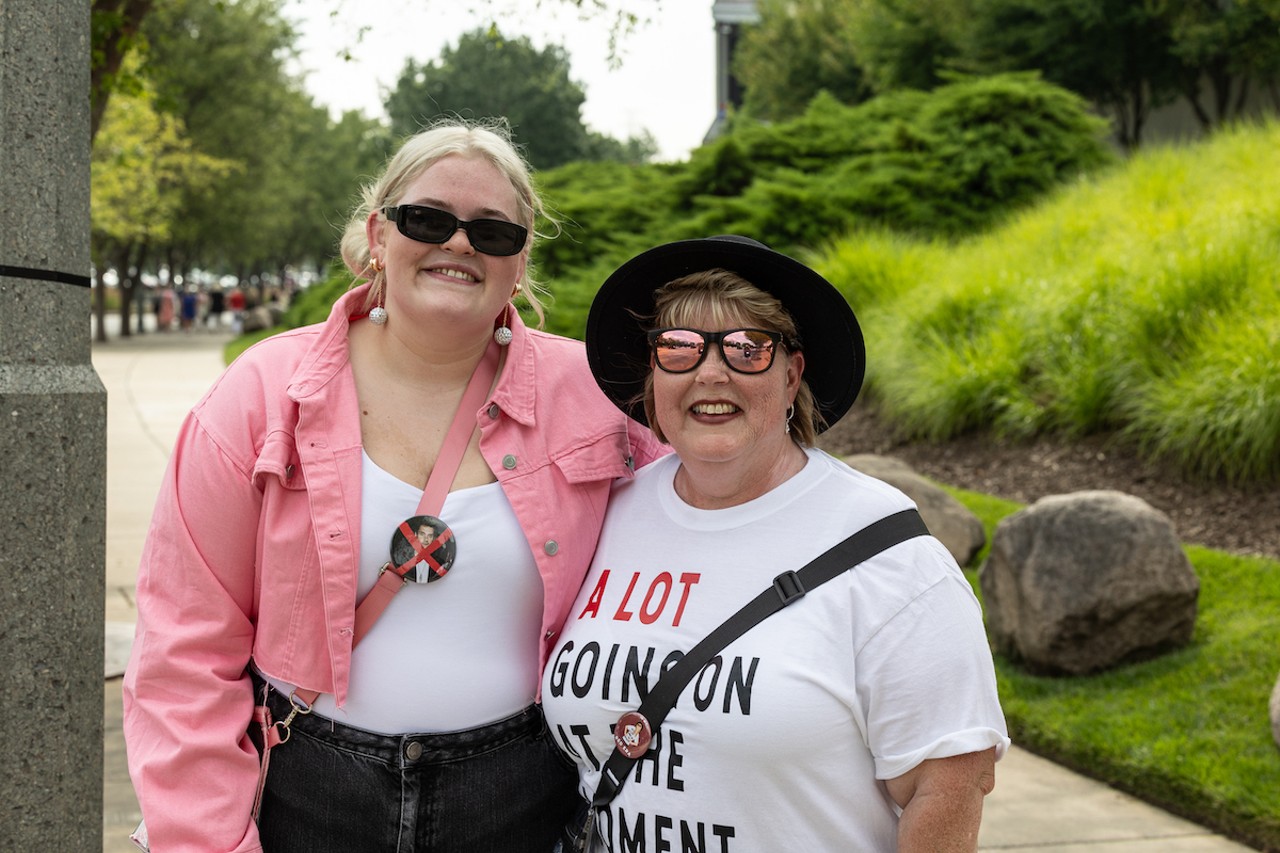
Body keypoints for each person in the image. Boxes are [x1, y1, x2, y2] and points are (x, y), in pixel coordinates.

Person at [123, 120, 667, 853]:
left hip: (524, 801)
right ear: (379, 234)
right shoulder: (261, 394)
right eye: (427, 219)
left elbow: (705, 523)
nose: (460, 243)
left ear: (521, 257)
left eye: (493, 231)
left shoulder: (600, 400)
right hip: (308, 795)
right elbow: (184, 650)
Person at [542, 235, 1009, 852]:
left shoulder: (886, 552)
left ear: (792, 377)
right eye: (678, 347)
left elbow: (947, 781)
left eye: (747, 348)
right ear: (652, 375)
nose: (712, 370)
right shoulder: (606, 513)